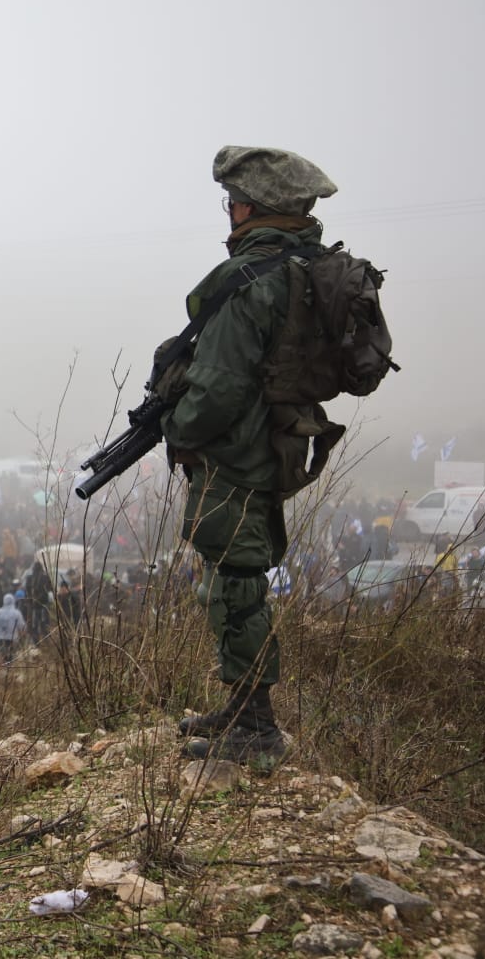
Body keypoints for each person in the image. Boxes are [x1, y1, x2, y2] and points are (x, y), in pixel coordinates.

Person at [165, 145, 338, 765]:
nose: (228, 211)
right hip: (275, 444)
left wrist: (181, 428)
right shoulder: (301, 267)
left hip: (236, 455)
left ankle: (256, 729)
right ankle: (243, 707)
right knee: (241, 578)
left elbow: (219, 386)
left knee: (234, 584)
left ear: (251, 207)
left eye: (232, 201)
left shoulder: (250, 280)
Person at [0, 594, 28, 664]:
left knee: (3, 657)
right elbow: (22, 626)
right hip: (13, 638)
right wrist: (24, 635)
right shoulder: (17, 613)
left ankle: (4, 671)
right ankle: (11, 671)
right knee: (12, 657)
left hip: (1, 638)